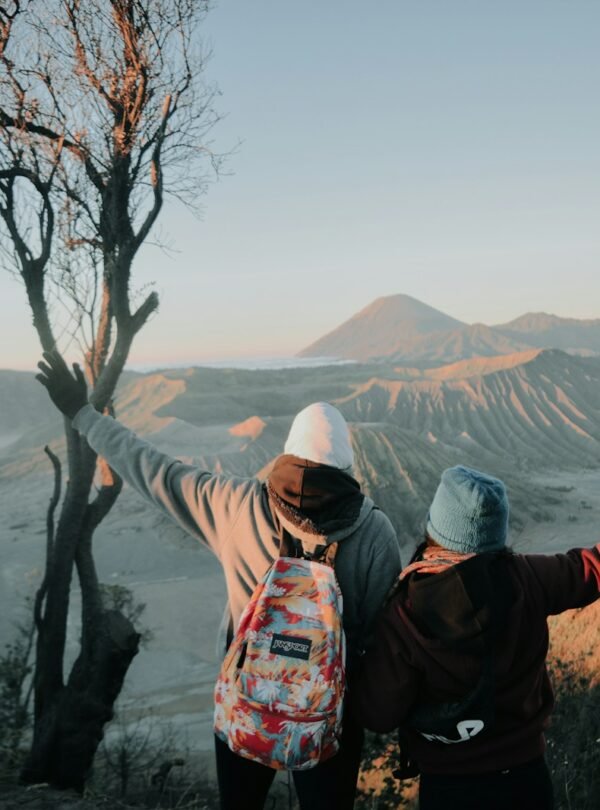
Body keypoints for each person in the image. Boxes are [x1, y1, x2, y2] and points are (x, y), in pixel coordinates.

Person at [36, 350, 403, 810]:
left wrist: (82, 413)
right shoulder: (374, 531)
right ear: (347, 466)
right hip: (327, 716)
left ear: (288, 453)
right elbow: (380, 639)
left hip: (247, 702)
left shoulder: (235, 504)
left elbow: (152, 469)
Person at [358, 464, 600, 810]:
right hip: (526, 778)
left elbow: (379, 715)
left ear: (435, 527)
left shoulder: (404, 612)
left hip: (449, 787)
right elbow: (590, 569)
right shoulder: (529, 577)